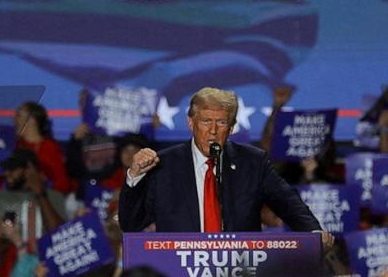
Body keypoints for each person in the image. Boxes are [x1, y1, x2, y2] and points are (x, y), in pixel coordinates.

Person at [119, 87, 324, 237]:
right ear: (191, 123)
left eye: (222, 122)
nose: (214, 130)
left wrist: (314, 233)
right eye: (206, 121)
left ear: (232, 127)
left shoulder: (252, 162)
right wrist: (134, 176)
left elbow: (288, 203)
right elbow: (131, 223)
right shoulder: (164, 165)